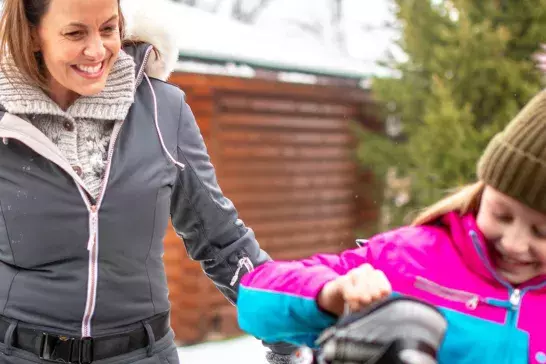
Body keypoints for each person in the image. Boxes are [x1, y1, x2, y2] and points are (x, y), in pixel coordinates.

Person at [0, 0, 294, 363]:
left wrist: (285, 330)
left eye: (108, 29)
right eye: (75, 33)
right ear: (32, 35)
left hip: (143, 353)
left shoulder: (162, 110)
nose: (97, 50)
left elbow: (222, 240)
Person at [237, 90, 546, 364]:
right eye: (501, 214)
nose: (515, 243)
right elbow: (256, 297)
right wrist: (331, 295)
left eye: (541, 232)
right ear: (483, 192)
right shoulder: (407, 258)